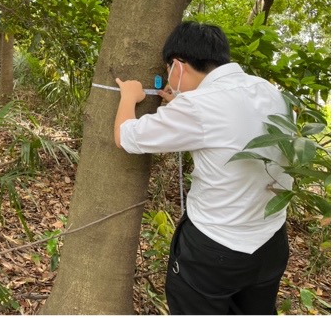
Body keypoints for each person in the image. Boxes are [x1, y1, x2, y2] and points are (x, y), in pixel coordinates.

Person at [113, 21, 293, 315]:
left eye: (169, 68)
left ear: (179, 65)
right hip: (271, 243)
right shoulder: (269, 91)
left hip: (214, 250)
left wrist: (128, 98)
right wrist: (183, 102)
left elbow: (125, 137)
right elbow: (232, 126)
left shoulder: (198, 107)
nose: (169, 77)